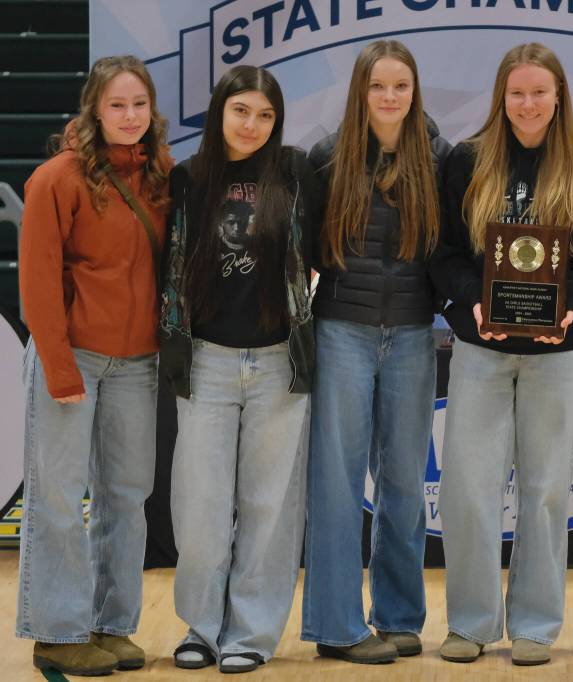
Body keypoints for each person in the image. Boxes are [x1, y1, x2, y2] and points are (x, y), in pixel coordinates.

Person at [430, 42, 573, 666]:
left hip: (557, 351)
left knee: (543, 492)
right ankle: (471, 623)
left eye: (540, 91)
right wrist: (471, 307)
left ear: (558, 95)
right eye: (518, 93)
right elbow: (445, 256)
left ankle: (536, 625)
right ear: (501, 97)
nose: (529, 103)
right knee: (468, 489)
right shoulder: (465, 162)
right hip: (481, 351)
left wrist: (571, 306)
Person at [160, 65, 319, 674]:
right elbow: (173, 265)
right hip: (208, 361)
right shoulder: (190, 179)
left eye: (265, 115)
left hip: (279, 361)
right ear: (220, 111)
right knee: (199, 508)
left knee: (268, 507)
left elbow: (320, 252)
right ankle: (200, 626)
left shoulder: (296, 175)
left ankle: (249, 633)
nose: (252, 125)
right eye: (241, 111)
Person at [15, 55, 171, 676]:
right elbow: (37, 283)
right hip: (72, 355)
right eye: (117, 105)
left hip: (136, 362)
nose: (129, 117)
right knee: (57, 497)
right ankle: (56, 630)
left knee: (127, 497)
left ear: (152, 112)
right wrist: (57, 367)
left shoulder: (163, 176)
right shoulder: (56, 179)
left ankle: (112, 624)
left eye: (139, 105)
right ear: (94, 109)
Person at [301, 39, 450, 664]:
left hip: (414, 334)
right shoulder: (326, 157)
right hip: (342, 331)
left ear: (415, 93)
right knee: (337, 482)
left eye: (401, 87)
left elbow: (450, 249)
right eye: (378, 86)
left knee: (403, 484)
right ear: (359, 91)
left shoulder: (439, 157)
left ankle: (398, 616)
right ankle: (337, 625)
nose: (390, 98)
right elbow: (305, 249)